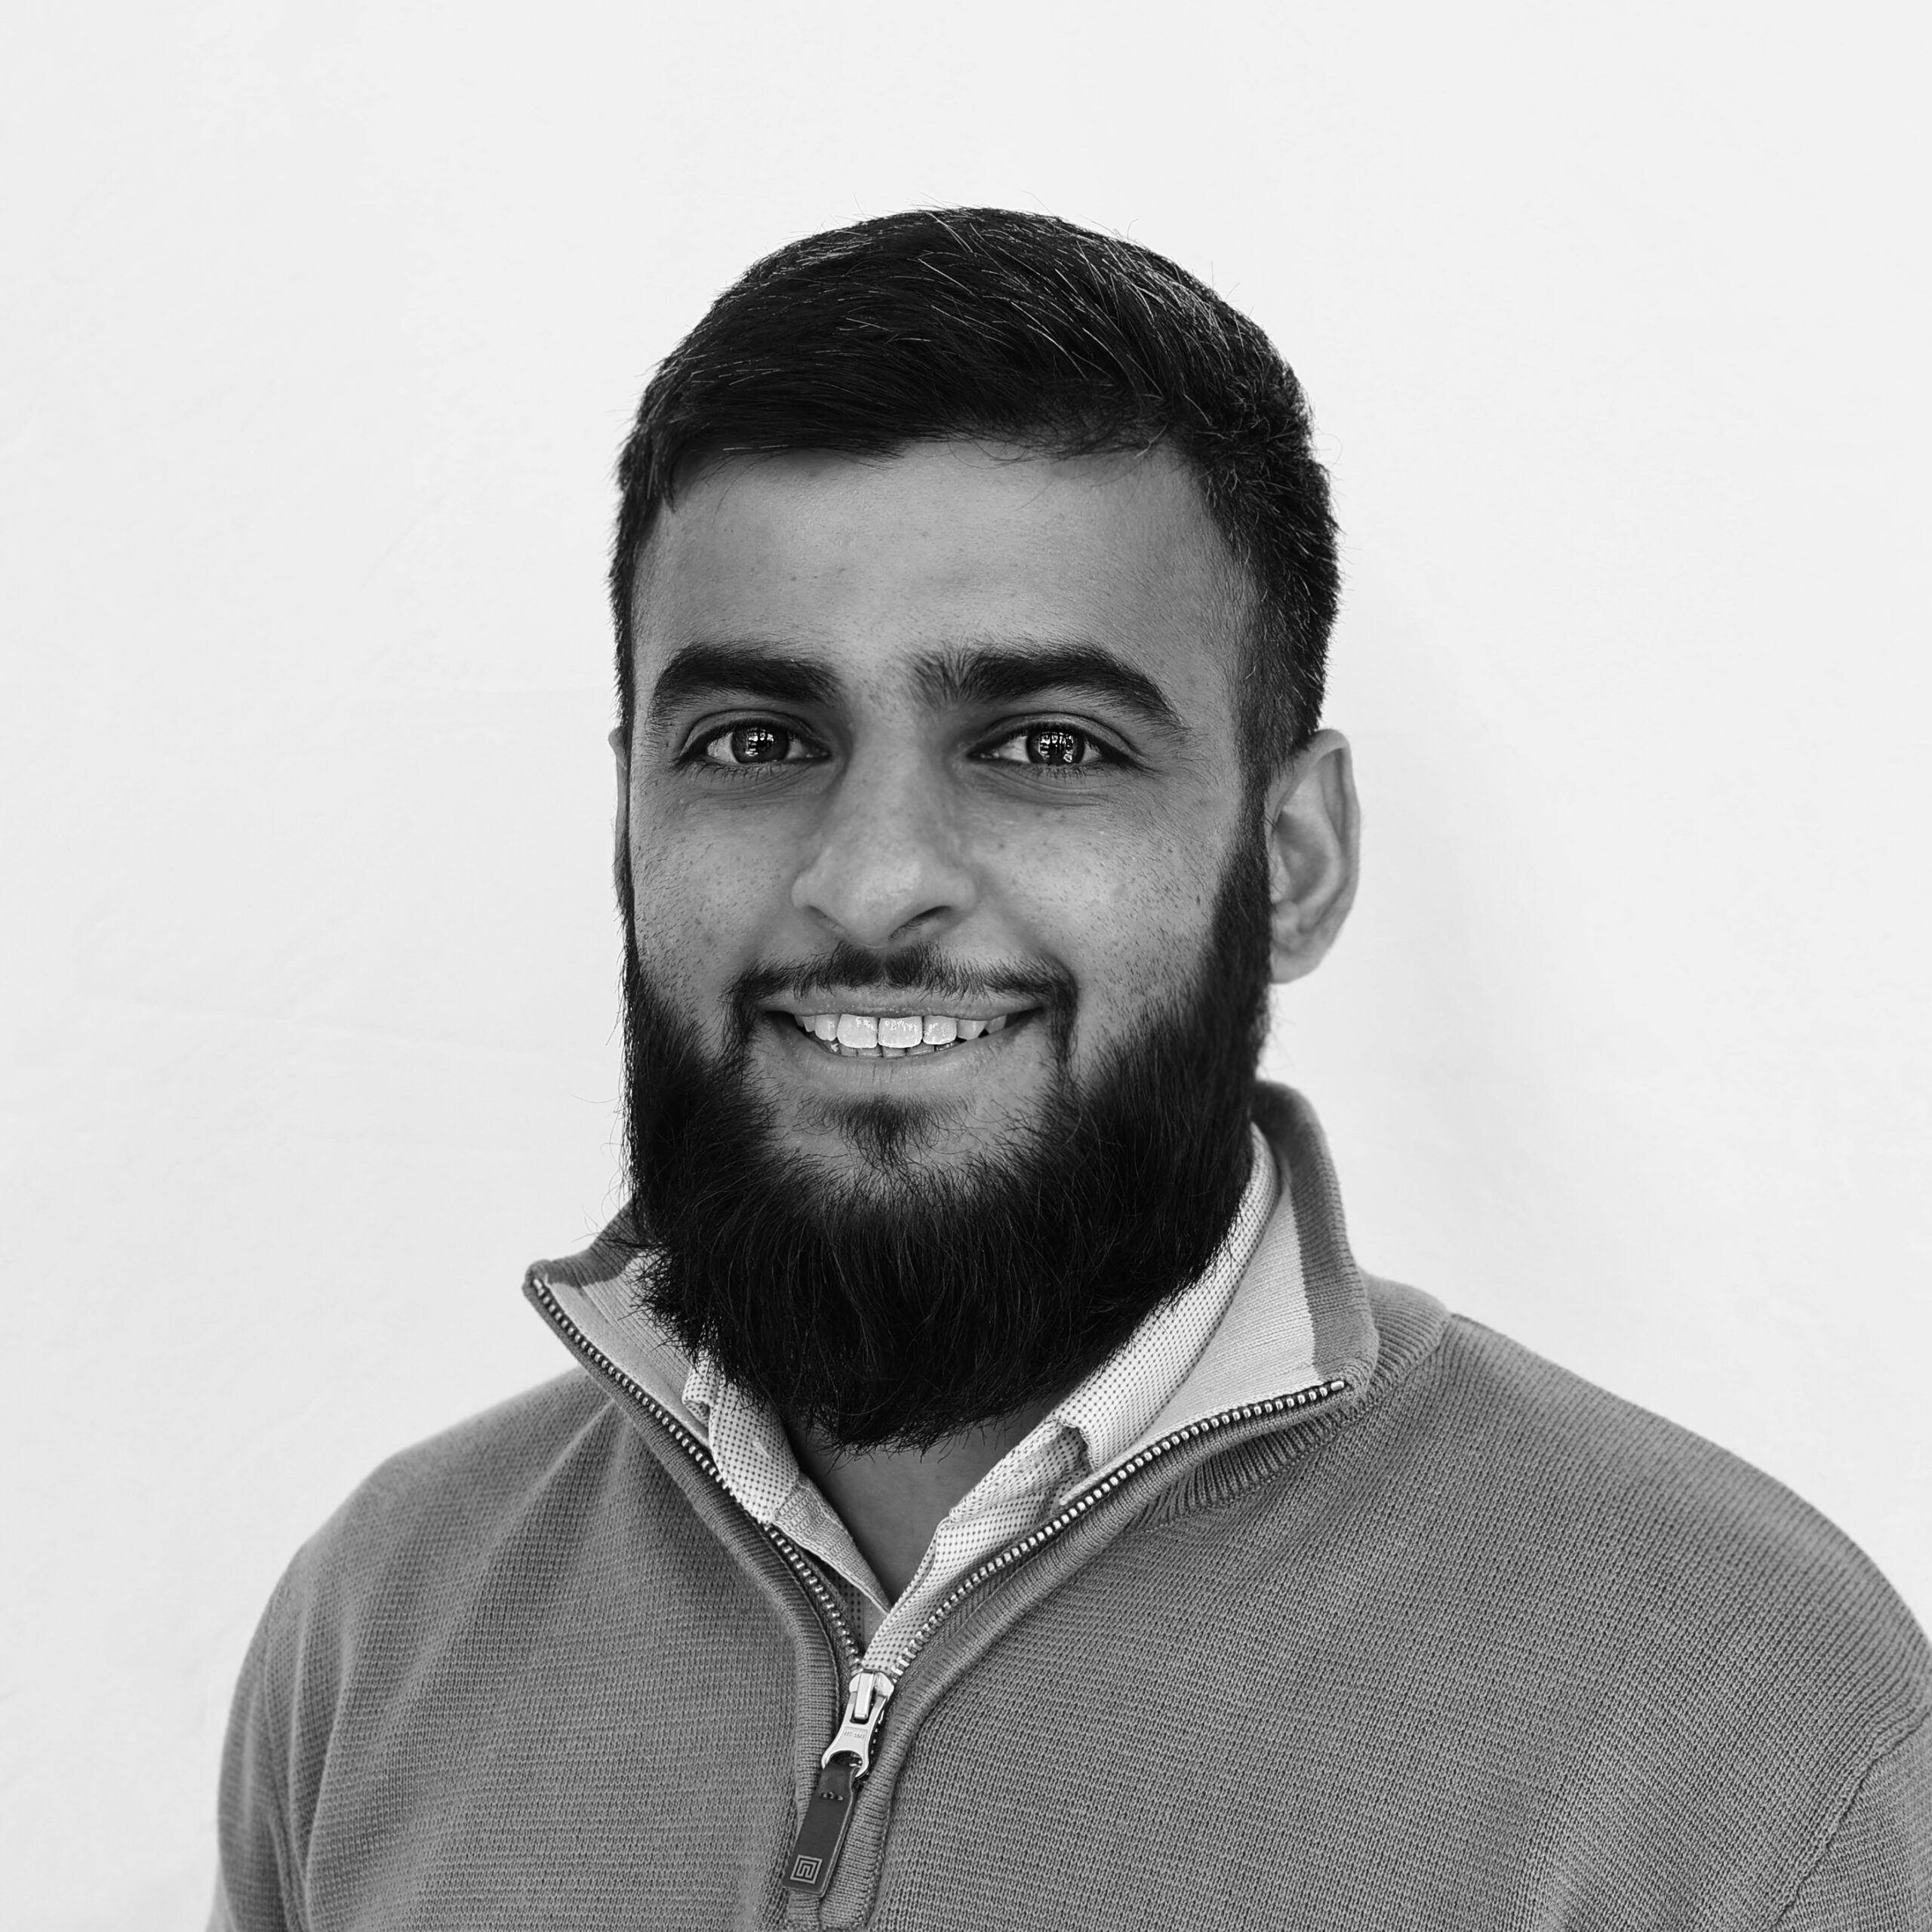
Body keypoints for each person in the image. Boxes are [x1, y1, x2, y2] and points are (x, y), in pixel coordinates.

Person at [209, 208, 1930, 1930]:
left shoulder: (1748, 1723)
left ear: (1296, 858)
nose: (872, 874)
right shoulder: (383, 1625)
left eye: (1047, 745)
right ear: (627, 820)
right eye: (753, 740)